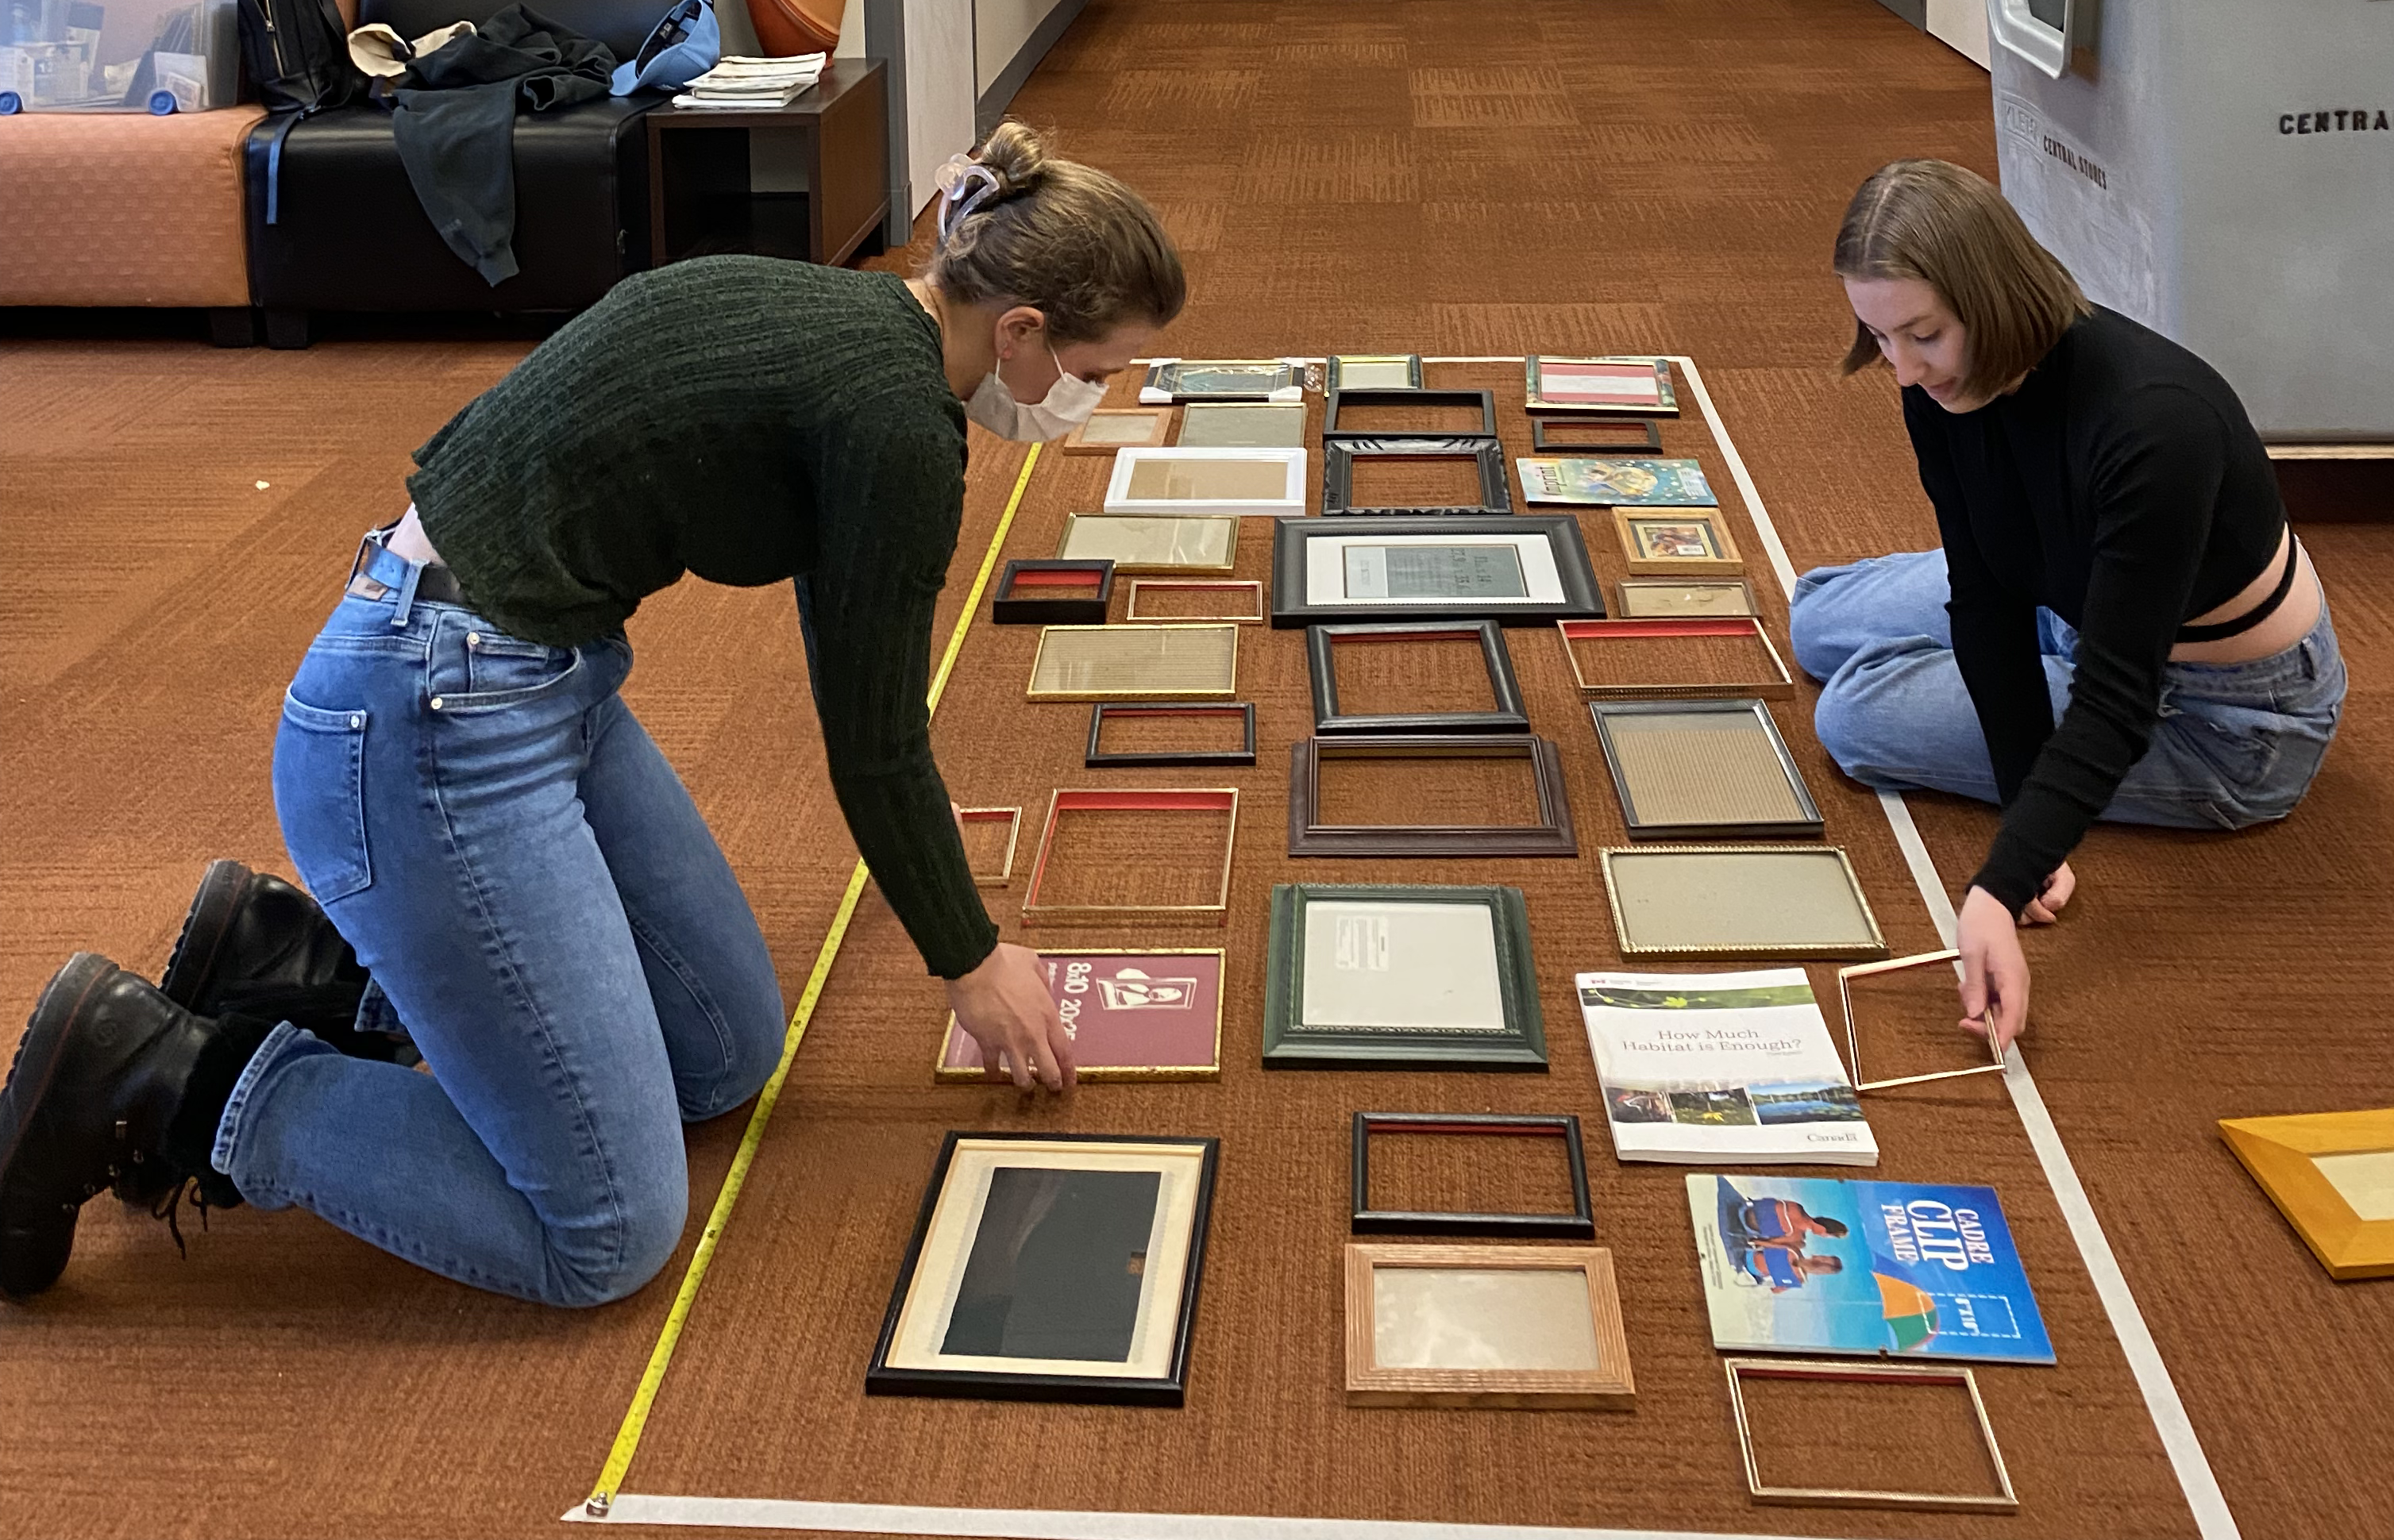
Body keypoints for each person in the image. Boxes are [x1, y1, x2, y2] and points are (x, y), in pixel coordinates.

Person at [0, 122, 1186, 1306]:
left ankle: (290, 963)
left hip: (520, 672)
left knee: (720, 1056)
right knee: (606, 1233)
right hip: (424, 725)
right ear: (1021, 330)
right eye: (1099, 371)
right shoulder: (896, 427)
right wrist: (969, 959)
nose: (1089, 398)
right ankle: (170, 1075)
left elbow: (846, 677)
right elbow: (876, 748)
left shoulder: (846, 323)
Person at [1791, 160, 2343, 1052]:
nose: (1901, 370)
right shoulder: (1940, 379)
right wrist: (2026, 802)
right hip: (2070, 595)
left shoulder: (2158, 423)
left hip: (2227, 714)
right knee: (1814, 616)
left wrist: (1999, 886)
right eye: (1879, 338)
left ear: (1994, 296)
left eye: (1922, 335)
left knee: (1852, 714)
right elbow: (1982, 592)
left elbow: (2117, 696)